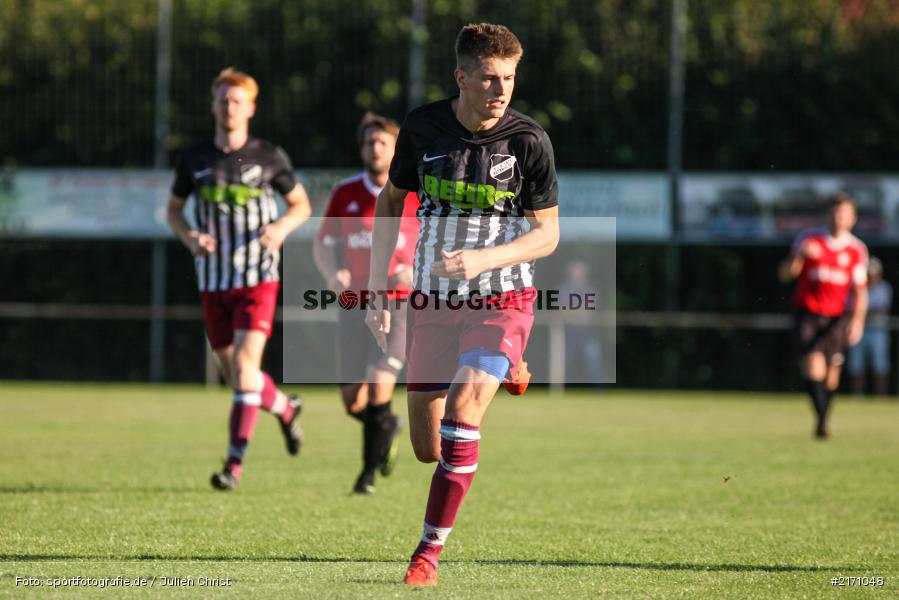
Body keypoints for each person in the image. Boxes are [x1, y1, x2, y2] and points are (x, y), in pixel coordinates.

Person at [366, 23, 559, 586]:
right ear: (462, 77)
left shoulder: (529, 141)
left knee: (461, 417)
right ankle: (512, 369)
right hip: (433, 301)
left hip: (504, 298)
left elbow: (547, 236)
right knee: (428, 449)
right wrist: (380, 289)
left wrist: (483, 261)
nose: (501, 90)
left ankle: (427, 554)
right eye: (490, 78)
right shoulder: (424, 128)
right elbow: (391, 200)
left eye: (510, 78)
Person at [167, 68, 312, 490]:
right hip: (213, 282)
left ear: (250, 107)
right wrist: (190, 236)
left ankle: (233, 464)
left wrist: (281, 229)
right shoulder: (194, 159)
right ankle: (285, 409)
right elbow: (174, 210)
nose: (229, 106)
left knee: (247, 370)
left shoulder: (268, 155)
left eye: (237, 100)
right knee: (238, 377)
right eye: (223, 99)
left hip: (257, 279)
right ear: (213, 105)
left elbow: (300, 205)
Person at [313, 113, 420, 495]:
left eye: (382, 143)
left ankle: (366, 476)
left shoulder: (414, 193)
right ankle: (387, 427)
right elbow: (323, 243)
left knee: (379, 384)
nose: (374, 149)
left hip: (398, 304)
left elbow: (434, 243)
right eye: (369, 143)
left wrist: (414, 270)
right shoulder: (346, 193)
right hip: (354, 304)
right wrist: (332, 274)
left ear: (395, 150)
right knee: (351, 399)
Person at [779, 192, 868, 438]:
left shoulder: (856, 249)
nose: (839, 217)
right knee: (813, 366)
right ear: (827, 215)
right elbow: (785, 274)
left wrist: (858, 321)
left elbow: (860, 292)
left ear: (853, 218)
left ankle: (822, 419)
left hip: (837, 317)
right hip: (808, 313)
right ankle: (822, 422)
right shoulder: (809, 240)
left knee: (832, 374)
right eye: (835, 212)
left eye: (844, 213)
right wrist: (799, 257)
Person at [847, 257, 892, 396]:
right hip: (859, 329)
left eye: (875, 274)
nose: (872, 277)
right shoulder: (857, 287)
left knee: (880, 365)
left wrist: (861, 311)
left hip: (877, 331)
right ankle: (857, 396)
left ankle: (881, 396)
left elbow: (880, 309)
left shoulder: (884, 288)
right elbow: (851, 308)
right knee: (856, 366)